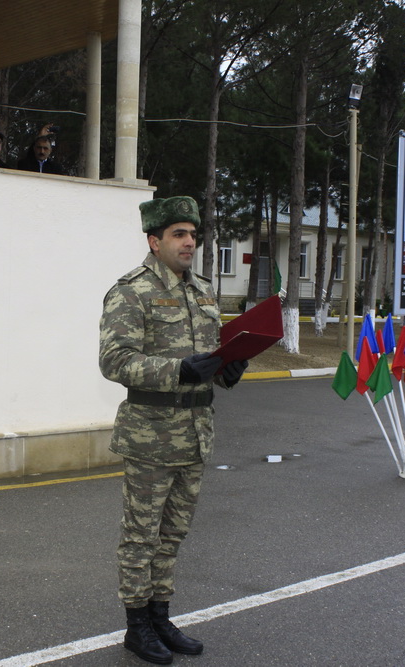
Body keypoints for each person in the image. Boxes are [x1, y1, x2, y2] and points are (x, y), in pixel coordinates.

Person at [99, 196, 247, 665]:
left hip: (195, 432)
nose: (189, 242)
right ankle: (137, 625)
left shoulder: (203, 291)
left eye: (193, 234)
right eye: (179, 234)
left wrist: (228, 367)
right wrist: (179, 371)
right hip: (150, 434)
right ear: (154, 240)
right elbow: (114, 361)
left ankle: (161, 616)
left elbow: (214, 352)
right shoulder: (131, 291)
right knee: (140, 536)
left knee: (173, 534)